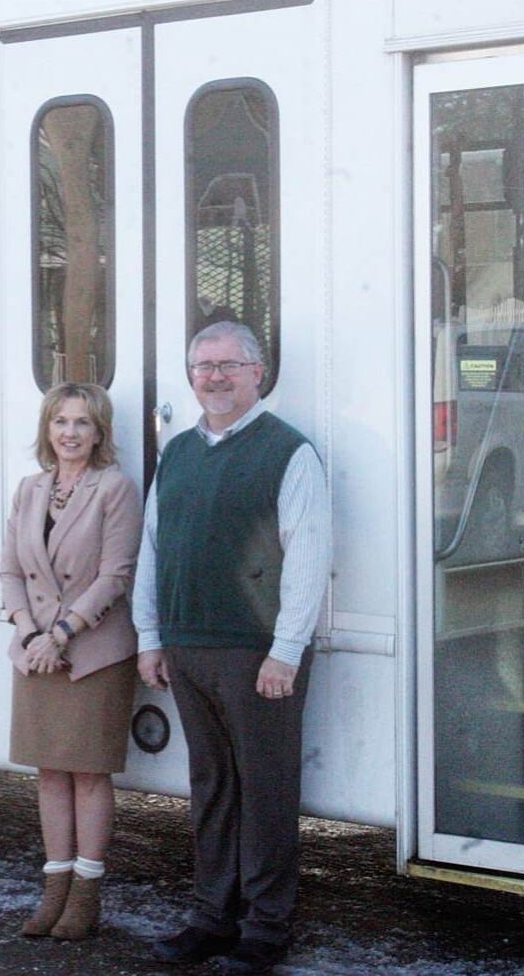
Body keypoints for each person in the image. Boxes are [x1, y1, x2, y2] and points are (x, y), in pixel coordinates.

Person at [135, 321, 330, 974]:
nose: (213, 377)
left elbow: (309, 556)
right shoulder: (180, 451)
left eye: (227, 364)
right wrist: (149, 635)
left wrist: (287, 648)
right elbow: (154, 549)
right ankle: (212, 918)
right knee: (211, 785)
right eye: (202, 365)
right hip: (187, 646)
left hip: (258, 654)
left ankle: (267, 928)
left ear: (257, 371)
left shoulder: (288, 452)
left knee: (266, 788)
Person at [0, 382, 143, 941]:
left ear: (99, 432)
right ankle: (53, 886)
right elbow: (11, 570)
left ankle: (86, 892)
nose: (70, 433)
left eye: (82, 422)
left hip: (93, 653)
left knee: (88, 773)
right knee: (49, 773)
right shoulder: (29, 490)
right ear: (47, 429)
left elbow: (116, 574)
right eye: (60, 421)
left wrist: (62, 632)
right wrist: (29, 630)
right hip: (35, 652)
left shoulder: (116, 489)